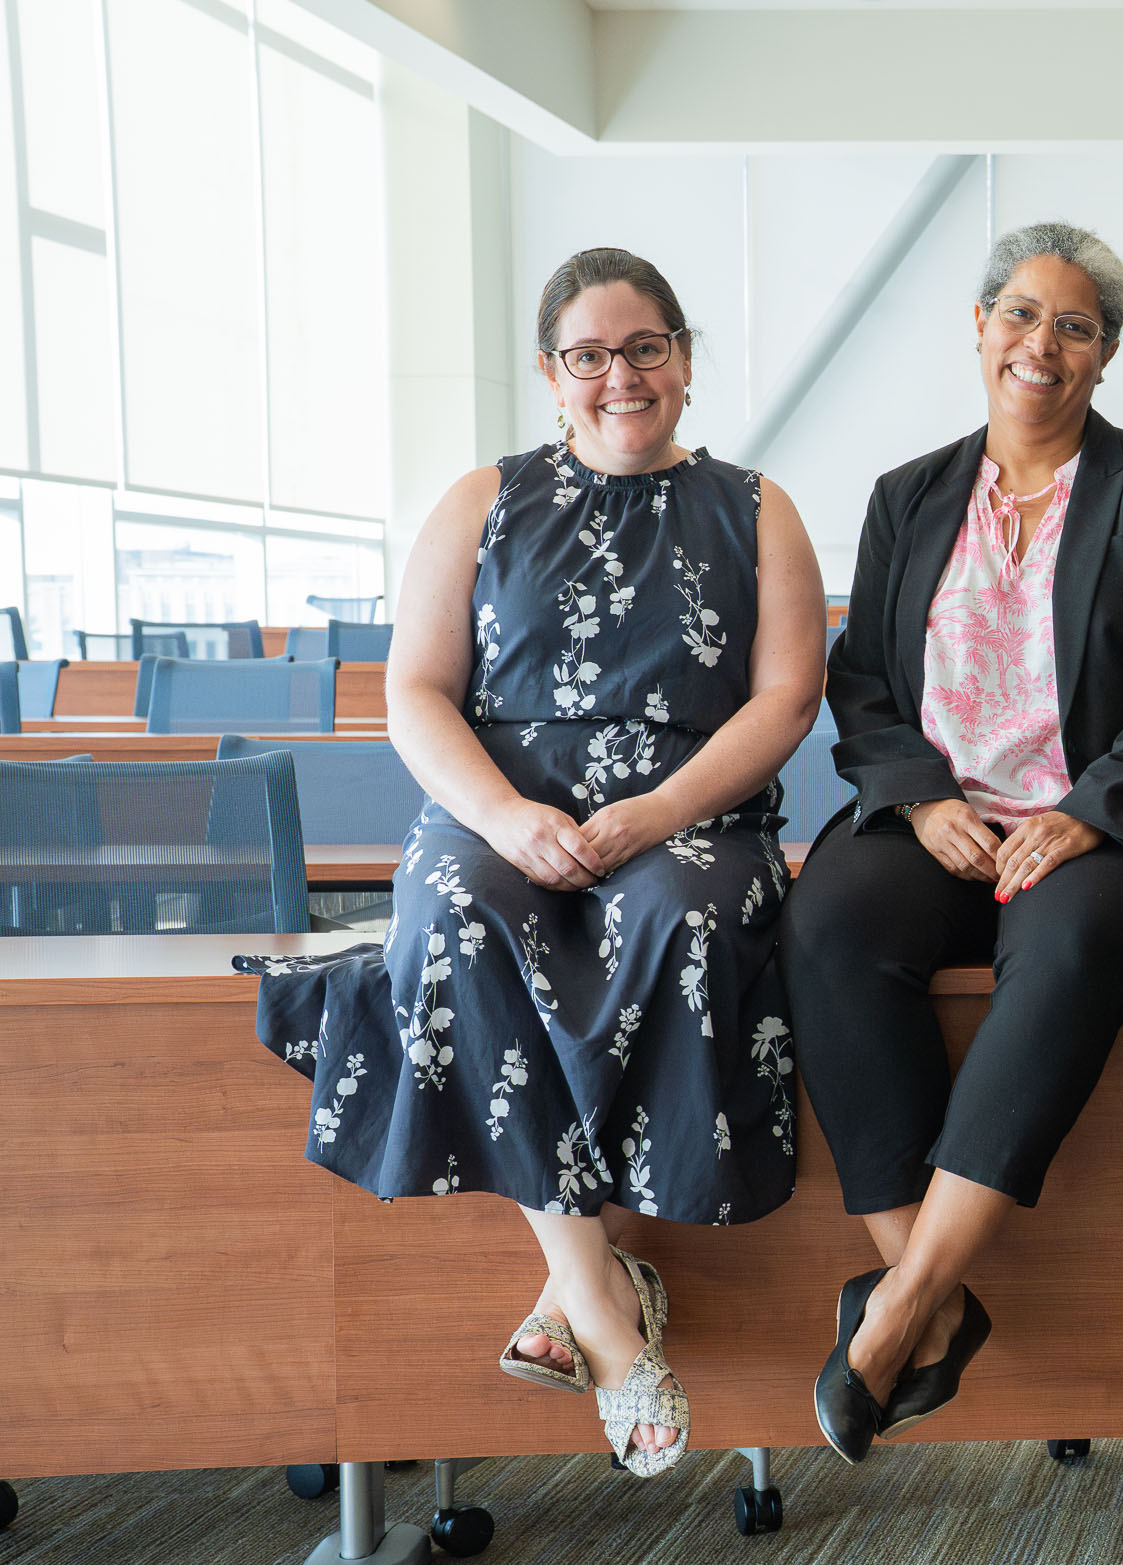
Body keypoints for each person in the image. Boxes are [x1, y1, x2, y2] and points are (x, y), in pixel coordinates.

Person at [243, 248, 826, 1476]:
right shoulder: (481, 499)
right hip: (501, 806)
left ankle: (586, 1294)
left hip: (690, 812)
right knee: (453, 913)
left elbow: (783, 702)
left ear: (683, 357)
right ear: (551, 374)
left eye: (647, 348)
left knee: (693, 919)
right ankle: (607, 1313)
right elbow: (413, 693)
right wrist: (506, 816)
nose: (622, 375)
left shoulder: (761, 508)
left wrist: (656, 812)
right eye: (590, 355)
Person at [778, 224, 1123, 1467]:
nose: (1043, 344)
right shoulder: (907, 495)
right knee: (827, 923)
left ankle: (888, 1325)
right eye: (1021, 315)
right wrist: (921, 796)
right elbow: (866, 681)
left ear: (1105, 355)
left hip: (1121, 825)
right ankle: (923, 1298)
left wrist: (1090, 806)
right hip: (943, 812)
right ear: (980, 328)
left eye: (1076, 325)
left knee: (1067, 937)